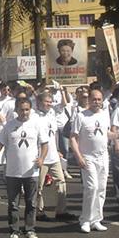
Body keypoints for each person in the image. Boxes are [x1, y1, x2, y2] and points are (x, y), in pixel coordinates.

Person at [0, 97, 47, 238]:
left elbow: (45, 144)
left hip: (31, 172)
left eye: (27, 109)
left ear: (30, 109)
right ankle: (14, 231)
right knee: (13, 204)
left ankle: (30, 230)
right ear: (16, 110)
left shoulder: (36, 124)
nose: (24, 112)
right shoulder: (9, 126)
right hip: (12, 172)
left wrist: (42, 159)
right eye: (21, 109)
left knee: (31, 203)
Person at [71, 88, 113, 233]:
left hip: (103, 156)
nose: (96, 102)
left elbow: (107, 134)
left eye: (99, 99)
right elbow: (73, 138)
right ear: (89, 100)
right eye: (94, 99)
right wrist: (78, 156)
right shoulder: (81, 116)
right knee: (91, 187)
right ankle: (85, 219)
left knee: (101, 188)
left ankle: (96, 219)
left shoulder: (104, 115)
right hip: (88, 157)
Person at [34, 90, 72, 222]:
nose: (49, 104)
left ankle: (61, 211)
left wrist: (57, 149)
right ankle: (39, 212)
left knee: (61, 182)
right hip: (41, 157)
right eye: (46, 102)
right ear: (39, 102)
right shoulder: (34, 117)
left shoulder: (51, 114)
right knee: (39, 186)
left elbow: (54, 134)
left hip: (54, 156)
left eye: (50, 102)